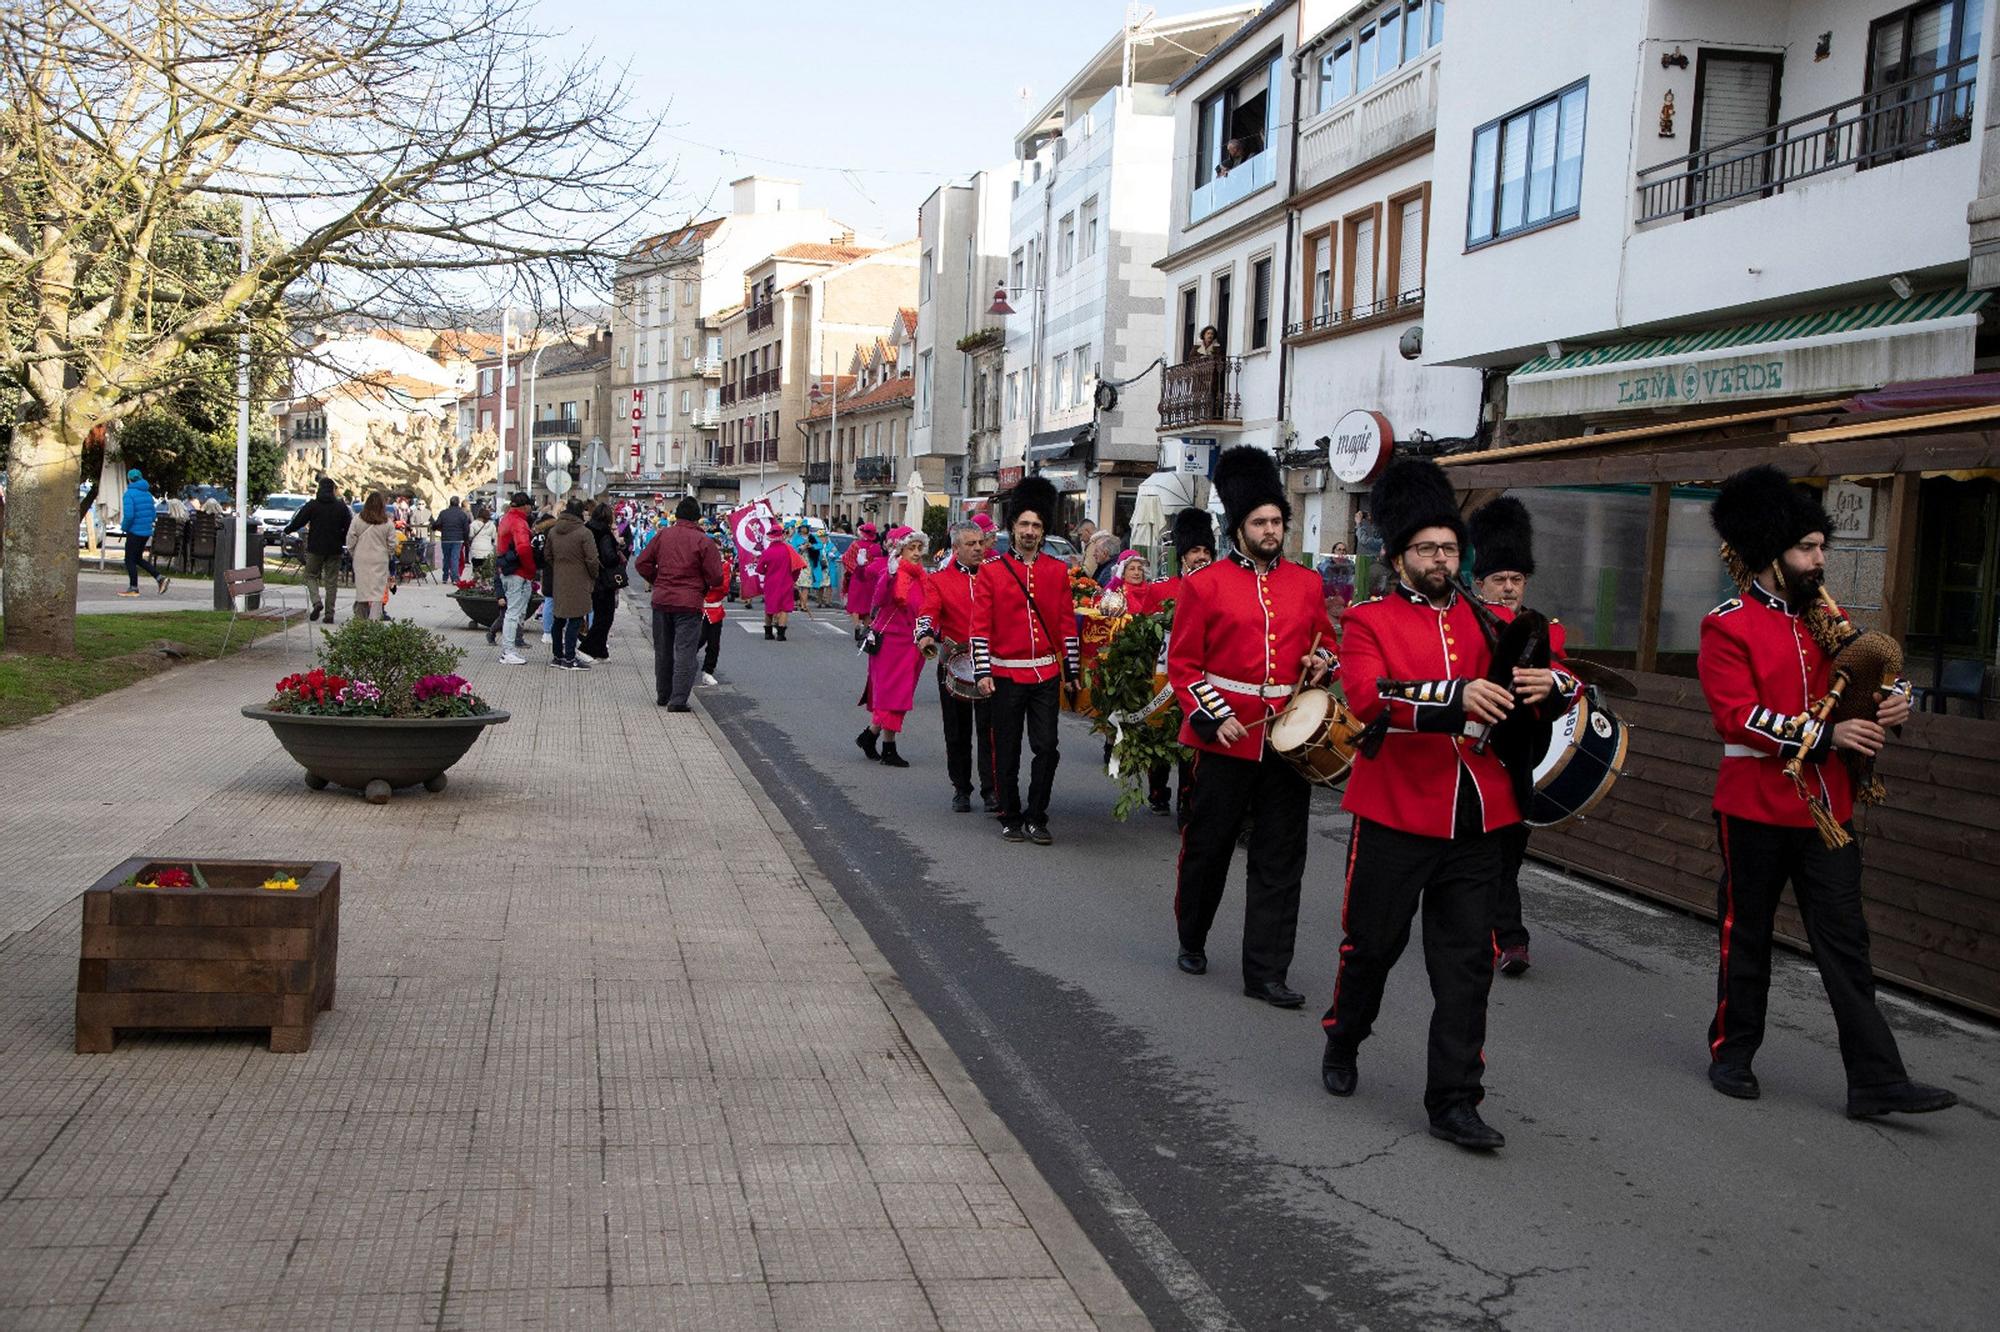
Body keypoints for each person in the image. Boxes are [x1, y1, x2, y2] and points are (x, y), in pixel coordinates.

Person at [1320, 459, 1575, 1152]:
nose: (1442, 559)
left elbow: (1551, 679)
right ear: (1400, 555)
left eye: (1450, 548)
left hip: (1479, 817)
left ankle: (1455, 1099)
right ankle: (1344, 1037)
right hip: (1398, 813)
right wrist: (1453, 697)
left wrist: (1545, 687)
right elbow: (1371, 699)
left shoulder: (1491, 619)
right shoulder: (1368, 620)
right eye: (1428, 548)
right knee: (1371, 947)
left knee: (1464, 966)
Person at [1699, 466, 1956, 1119]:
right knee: (1747, 934)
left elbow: (1866, 680)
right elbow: (1739, 718)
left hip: (1828, 811)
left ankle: (1875, 1079)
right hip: (1756, 804)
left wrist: (1896, 702)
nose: (1819, 560)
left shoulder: (1829, 622)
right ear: (1770, 554)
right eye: (1806, 549)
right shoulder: (1727, 624)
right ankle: (1732, 1052)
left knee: (1846, 942)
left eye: (1821, 548)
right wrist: (1827, 736)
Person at [1169, 448, 1336, 1008]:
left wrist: (1323, 664)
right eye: (1260, 522)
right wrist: (1214, 717)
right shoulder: (1204, 585)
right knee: (1208, 848)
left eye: (1277, 522)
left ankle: (1266, 971)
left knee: (1280, 857)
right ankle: (1192, 935)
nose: (1271, 531)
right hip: (1225, 739)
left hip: (1287, 739)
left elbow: (1327, 643)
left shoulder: (1308, 584)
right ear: (1239, 526)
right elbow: (1184, 666)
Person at [1464, 497, 1567, 979]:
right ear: (1479, 582)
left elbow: (1564, 678)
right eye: (1499, 580)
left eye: (1517, 580)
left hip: (1520, 751)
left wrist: (1556, 683)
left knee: (1508, 856)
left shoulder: (1542, 628)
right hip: (1471, 751)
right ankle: (1509, 939)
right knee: (1486, 856)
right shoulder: (1464, 622)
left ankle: (1499, 934)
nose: (1509, 588)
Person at [972, 476, 1078, 846]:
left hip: (1046, 673)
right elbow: (980, 626)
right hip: (1004, 674)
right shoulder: (992, 571)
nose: (1030, 531)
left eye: (1036, 525)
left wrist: (1072, 672)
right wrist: (983, 671)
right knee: (1008, 748)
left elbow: (1066, 623)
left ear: (1043, 529)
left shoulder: (1056, 571)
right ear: (1012, 528)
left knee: (1047, 747)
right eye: (1024, 525)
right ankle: (1010, 813)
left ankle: (1037, 814)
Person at [1127, 508, 1215, 818]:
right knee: (1161, 736)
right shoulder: (1161, 589)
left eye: (1206, 550)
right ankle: (1158, 792)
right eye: (1195, 551)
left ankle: (1187, 805)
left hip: (1203, 680)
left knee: (1193, 747)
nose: (1201, 556)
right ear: (1183, 555)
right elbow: (1144, 635)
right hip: (1164, 676)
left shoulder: (1219, 590)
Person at [918, 522, 999, 813]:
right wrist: (924, 633)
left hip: (990, 664)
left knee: (990, 731)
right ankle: (961, 788)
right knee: (956, 731)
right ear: (955, 549)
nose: (978, 548)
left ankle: (992, 790)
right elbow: (927, 612)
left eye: (980, 542)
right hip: (954, 662)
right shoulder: (938, 580)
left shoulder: (997, 576)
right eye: (970, 544)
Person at [636, 496, 726, 711]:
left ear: (677, 515)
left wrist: (657, 580)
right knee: (685, 650)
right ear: (698, 517)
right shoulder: (703, 541)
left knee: (663, 649)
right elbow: (716, 577)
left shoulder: (662, 535)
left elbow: (642, 562)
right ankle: (678, 700)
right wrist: (701, 585)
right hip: (689, 602)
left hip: (662, 599)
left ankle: (662, 694)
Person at [858, 528, 931, 768]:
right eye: (912, 548)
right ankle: (887, 748)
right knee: (891, 696)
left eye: (920, 548)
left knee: (900, 695)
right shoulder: (892, 573)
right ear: (900, 550)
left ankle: (870, 736)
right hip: (890, 642)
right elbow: (878, 599)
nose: (917, 553)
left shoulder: (921, 576)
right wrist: (889, 576)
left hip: (913, 644)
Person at [284, 477, 353, 623]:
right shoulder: (341, 507)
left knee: (310, 575)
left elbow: (299, 520)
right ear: (333, 490)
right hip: (335, 548)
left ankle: (316, 602)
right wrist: (342, 540)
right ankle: (329, 613)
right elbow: (349, 528)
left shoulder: (313, 505)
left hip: (315, 547)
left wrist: (288, 529)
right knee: (331, 581)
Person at [544, 498, 600, 670]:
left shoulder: (553, 531)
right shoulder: (584, 533)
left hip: (559, 579)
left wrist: (559, 567)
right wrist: (593, 574)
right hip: (579, 579)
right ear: (580, 513)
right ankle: (570, 658)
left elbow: (547, 555)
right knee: (575, 619)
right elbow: (592, 559)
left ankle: (557, 656)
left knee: (558, 619)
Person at [576, 502, 626, 663]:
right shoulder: (604, 533)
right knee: (605, 617)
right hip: (604, 580)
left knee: (599, 615)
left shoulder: (587, 529)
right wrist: (618, 551)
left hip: (590, 577)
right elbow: (609, 557)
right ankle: (587, 648)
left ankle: (601, 651)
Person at [494, 492, 538, 665]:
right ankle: (508, 651)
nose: (530, 509)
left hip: (508, 569)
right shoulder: (519, 522)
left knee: (513, 612)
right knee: (513, 613)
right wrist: (531, 569)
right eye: (530, 506)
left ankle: (509, 649)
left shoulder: (506, 519)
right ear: (525, 506)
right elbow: (524, 548)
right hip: (517, 572)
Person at [344, 491, 397, 621]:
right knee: (377, 593)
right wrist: (388, 554)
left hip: (361, 559)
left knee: (362, 591)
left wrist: (354, 553)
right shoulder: (388, 523)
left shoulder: (357, 519)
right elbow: (392, 544)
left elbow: (350, 540)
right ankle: (374, 622)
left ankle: (360, 622)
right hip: (380, 559)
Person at [118, 468, 168, 597]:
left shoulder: (129, 494)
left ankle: (133, 587)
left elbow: (129, 515)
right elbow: (152, 515)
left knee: (129, 559)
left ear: (129, 479)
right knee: (138, 558)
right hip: (146, 531)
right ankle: (159, 578)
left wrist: (124, 527)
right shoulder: (147, 494)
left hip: (134, 531)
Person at [757, 529, 806, 640]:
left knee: (770, 607)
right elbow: (798, 567)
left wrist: (768, 571)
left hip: (770, 582)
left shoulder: (767, 552)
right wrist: (793, 579)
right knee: (784, 607)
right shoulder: (789, 550)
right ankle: (781, 634)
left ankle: (768, 633)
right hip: (786, 581)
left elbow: (759, 569)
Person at [700, 537, 735, 686]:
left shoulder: (724, 565)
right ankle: (682, 668)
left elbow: (724, 587)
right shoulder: (698, 565)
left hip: (715, 609)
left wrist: (709, 585)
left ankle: (708, 671)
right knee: (695, 642)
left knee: (714, 644)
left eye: (718, 550)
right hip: (699, 608)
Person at [843, 522, 886, 644]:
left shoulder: (855, 545)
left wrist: (855, 570)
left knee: (855, 605)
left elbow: (846, 560)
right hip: (871, 580)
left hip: (857, 577)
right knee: (868, 607)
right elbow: (879, 563)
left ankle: (857, 626)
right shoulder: (876, 548)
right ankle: (866, 630)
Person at [434, 495, 472, 582]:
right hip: (458, 539)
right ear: (458, 503)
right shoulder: (462, 514)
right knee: (455, 558)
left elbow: (436, 524)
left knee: (446, 557)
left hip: (446, 538)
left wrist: (439, 528)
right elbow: (466, 529)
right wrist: (466, 540)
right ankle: (455, 577)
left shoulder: (443, 513)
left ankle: (445, 577)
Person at [467, 503, 497, 580]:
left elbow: (470, 535)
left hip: (476, 549)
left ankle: (476, 582)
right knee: (486, 570)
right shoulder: (492, 525)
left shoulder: (473, 524)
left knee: (476, 569)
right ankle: (485, 584)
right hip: (487, 549)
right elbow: (494, 537)